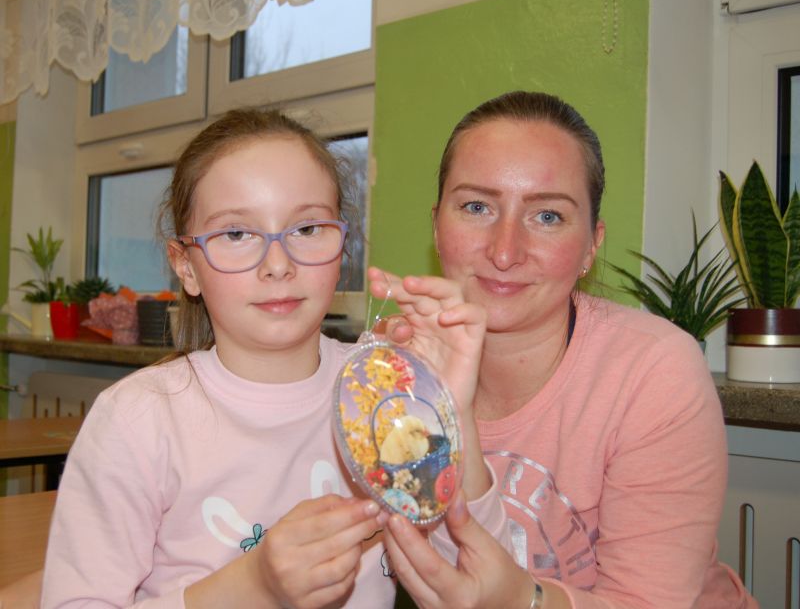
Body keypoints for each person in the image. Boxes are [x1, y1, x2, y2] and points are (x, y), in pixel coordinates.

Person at [40, 108, 501, 608]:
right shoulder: (139, 420)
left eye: (307, 229)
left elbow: (481, 588)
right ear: (186, 266)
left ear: (342, 246)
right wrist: (253, 586)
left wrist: (450, 414)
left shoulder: (380, 393)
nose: (278, 265)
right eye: (236, 234)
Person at [376, 91, 758, 608]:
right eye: (477, 207)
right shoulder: (394, 368)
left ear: (591, 245)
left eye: (548, 216)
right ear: (436, 226)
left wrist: (520, 600)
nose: (505, 251)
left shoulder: (652, 370)